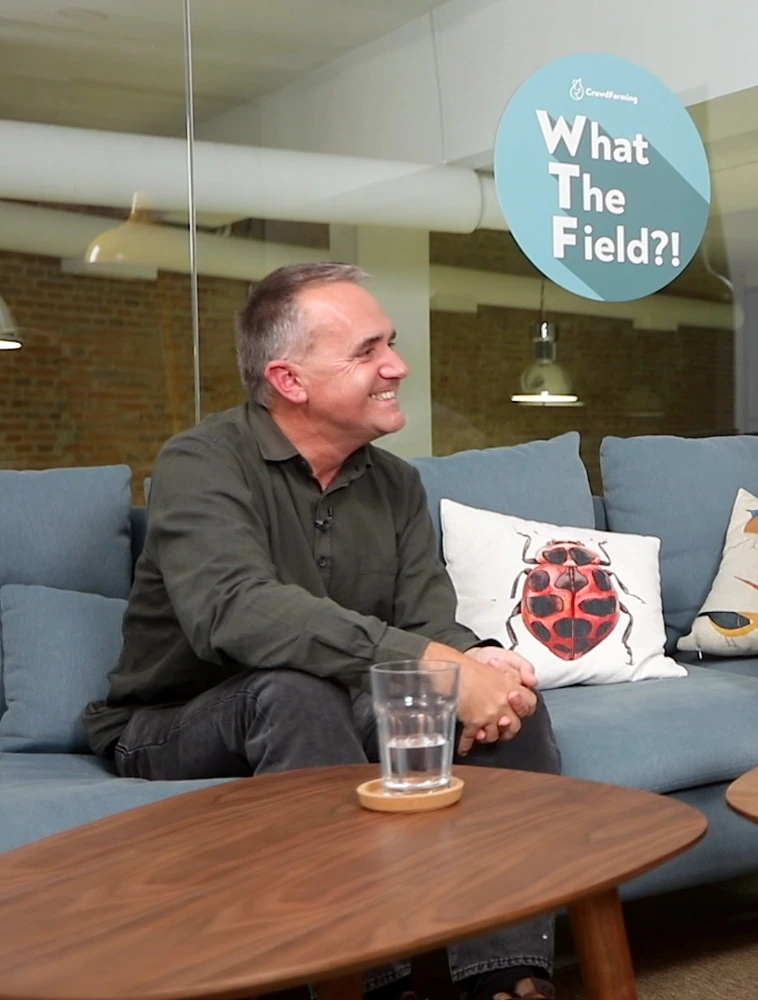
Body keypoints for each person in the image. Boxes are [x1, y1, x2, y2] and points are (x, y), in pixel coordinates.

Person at [83, 262, 563, 1000]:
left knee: (508, 708)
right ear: (289, 380)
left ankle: (507, 981)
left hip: (333, 703)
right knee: (294, 692)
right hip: (171, 722)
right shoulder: (201, 463)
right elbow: (233, 611)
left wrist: (479, 664)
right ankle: (366, 983)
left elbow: (427, 620)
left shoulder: (395, 483)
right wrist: (434, 664)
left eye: (390, 343)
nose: (396, 366)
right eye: (368, 350)